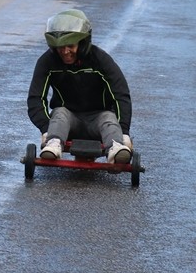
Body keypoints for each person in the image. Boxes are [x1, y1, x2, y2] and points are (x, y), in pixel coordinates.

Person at [27, 9, 133, 164]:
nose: (65, 52)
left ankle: (116, 147)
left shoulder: (100, 60)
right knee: (60, 112)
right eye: (60, 47)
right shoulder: (47, 62)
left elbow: (121, 94)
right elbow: (36, 98)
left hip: (99, 119)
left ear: (82, 43)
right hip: (68, 123)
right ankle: (53, 144)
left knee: (108, 117)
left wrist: (124, 131)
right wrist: (45, 128)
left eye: (70, 45)